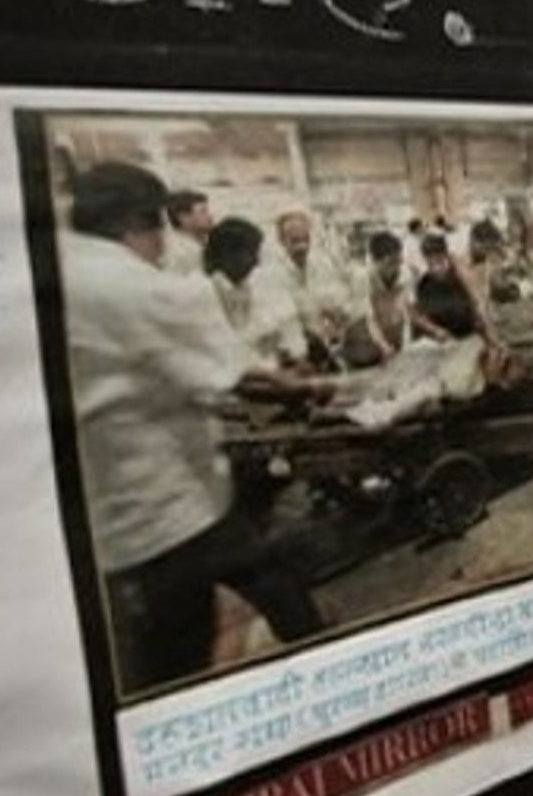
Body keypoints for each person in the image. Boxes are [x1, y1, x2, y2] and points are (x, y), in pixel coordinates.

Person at [61, 162, 325, 695]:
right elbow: (242, 379)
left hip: (114, 522)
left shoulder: (64, 269)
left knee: (258, 580)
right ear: (142, 221)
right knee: (184, 650)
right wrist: (304, 388)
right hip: (172, 509)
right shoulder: (133, 285)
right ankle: (323, 668)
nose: (166, 243)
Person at [205, 217, 307, 367]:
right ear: (229, 254)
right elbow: (233, 351)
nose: (256, 261)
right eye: (251, 254)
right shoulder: (211, 292)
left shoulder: (244, 286)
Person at [267, 210, 355, 362]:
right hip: (293, 358)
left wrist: (339, 314)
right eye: (294, 241)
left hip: (326, 351)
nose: (302, 246)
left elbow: (339, 305)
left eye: (306, 239)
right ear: (281, 240)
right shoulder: (274, 274)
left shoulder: (322, 264)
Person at [342, 231, 414, 369]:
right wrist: (383, 347)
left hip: (392, 336)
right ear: (375, 261)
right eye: (389, 263)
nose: (395, 267)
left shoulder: (405, 273)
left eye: (398, 260)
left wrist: (406, 346)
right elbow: (369, 318)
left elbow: (406, 315)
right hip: (363, 342)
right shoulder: (362, 277)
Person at [414, 233, 490, 342]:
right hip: (443, 342)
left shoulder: (461, 276)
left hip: (470, 336)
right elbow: (419, 316)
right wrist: (434, 330)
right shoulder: (424, 284)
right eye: (430, 264)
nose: (436, 269)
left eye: (439, 261)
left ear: (447, 256)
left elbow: (478, 303)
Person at [162, 189, 213, 277]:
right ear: (183, 217)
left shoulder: (196, 245)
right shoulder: (180, 251)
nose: (210, 216)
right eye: (203, 212)